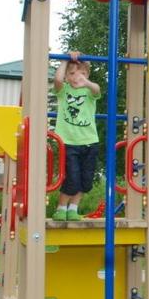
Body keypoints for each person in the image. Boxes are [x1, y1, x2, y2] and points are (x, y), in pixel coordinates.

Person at [53, 51, 101, 221]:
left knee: (85, 180)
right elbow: (57, 80)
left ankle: (73, 208)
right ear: (67, 77)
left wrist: (86, 82)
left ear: (87, 75)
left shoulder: (89, 92)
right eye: (72, 73)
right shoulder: (64, 91)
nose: (77, 77)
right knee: (72, 177)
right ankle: (61, 208)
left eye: (82, 73)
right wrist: (64, 61)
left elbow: (97, 89)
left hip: (90, 142)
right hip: (68, 142)